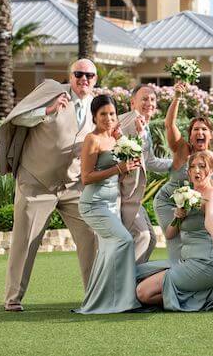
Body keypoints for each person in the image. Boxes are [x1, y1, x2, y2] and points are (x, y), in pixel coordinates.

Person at [0, 59, 98, 312]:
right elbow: (18, 119)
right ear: (70, 75)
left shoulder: (97, 104)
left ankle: (96, 295)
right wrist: (48, 111)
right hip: (36, 181)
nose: (84, 79)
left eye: (89, 75)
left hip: (73, 184)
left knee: (91, 236)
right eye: (79, 74)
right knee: (25, 240)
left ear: (96, 79)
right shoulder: (52, 91)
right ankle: (13, 298)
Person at [136, 151, 213, 311]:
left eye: (202, 166)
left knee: (143, 293)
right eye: (192, 167)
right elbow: (170, 234)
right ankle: (202, 296)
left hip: (208, 263)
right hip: (187, 262)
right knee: (137, 273)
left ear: (211, 171)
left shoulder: (212, 195)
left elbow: (210, 220)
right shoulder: (187, 196)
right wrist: (178, 216)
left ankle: (201, 298)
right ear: (188, 172)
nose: (196, 170)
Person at [72, 94, 143, 314]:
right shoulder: (91, 140)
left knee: (107, 251)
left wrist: (130, 161)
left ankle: (103, 300)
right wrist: (118, 169)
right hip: (94, 204)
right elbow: (86, 177)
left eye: (112, 113)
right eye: (103, 114)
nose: (109, 118)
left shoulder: (115, 138)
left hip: (113, 203)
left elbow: (123, 172)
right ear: (94, 116)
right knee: (124, 241)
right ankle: (123, 299)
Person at [153, 83, 213, 261]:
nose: (199, 132)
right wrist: (177, 97)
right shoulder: (182, 149)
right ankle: (178, 275)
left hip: (197, 204)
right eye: (195, 129)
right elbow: (169, 125)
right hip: (168, 201)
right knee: (177, 240)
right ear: (190, 135)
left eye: (204, 129)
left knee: (202, 239)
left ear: (211, 135)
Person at [117, 84, 172, 263]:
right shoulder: (127, 121)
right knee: (142, 236)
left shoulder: (144, 125)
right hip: (123, 193)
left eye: (152, 99)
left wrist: (180, 163)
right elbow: (122, 154)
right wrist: (139, 135)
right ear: (132, 103)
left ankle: (136, 284)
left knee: (151, 240)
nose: (149, 103)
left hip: (135, 194)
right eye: (144, 99)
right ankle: (124, 284)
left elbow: (149, 162)